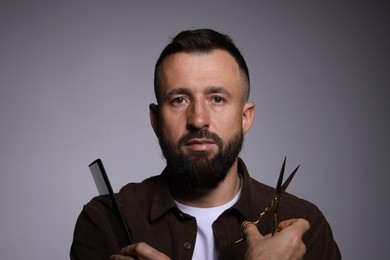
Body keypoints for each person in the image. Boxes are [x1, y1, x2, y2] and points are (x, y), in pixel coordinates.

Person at [71, 29, 341, 260]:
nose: (198, 120)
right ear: (155, 119)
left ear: (245, 118)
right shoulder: (104, 221)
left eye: (217, 99)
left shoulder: (303, 228)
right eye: (179, 100)